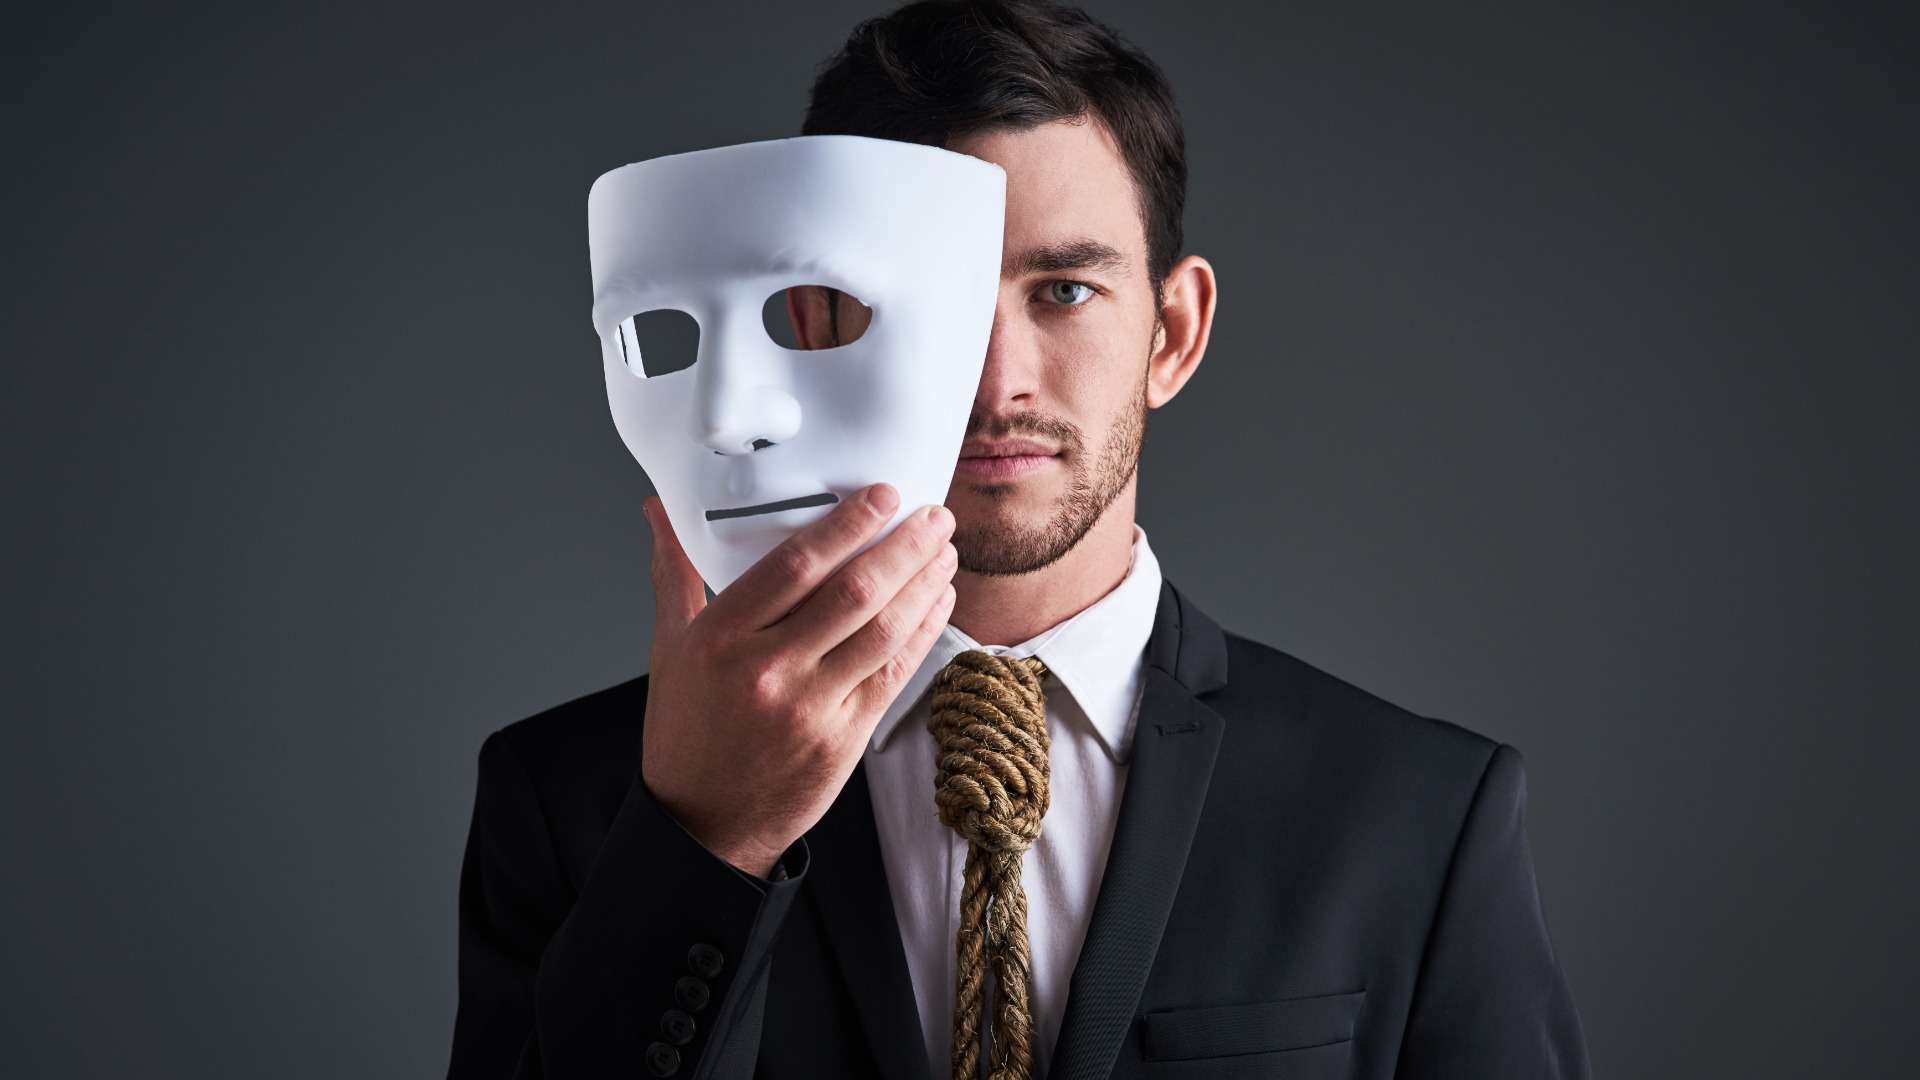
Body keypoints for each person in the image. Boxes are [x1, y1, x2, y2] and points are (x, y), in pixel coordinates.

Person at [447, 2, 1590, 1078]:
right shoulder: (577, 800)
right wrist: (707, 846)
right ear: (810, 322)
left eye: (1065, 291)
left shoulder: (1419, 813)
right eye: (922, 302)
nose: (997, 384)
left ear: (1173, 333)